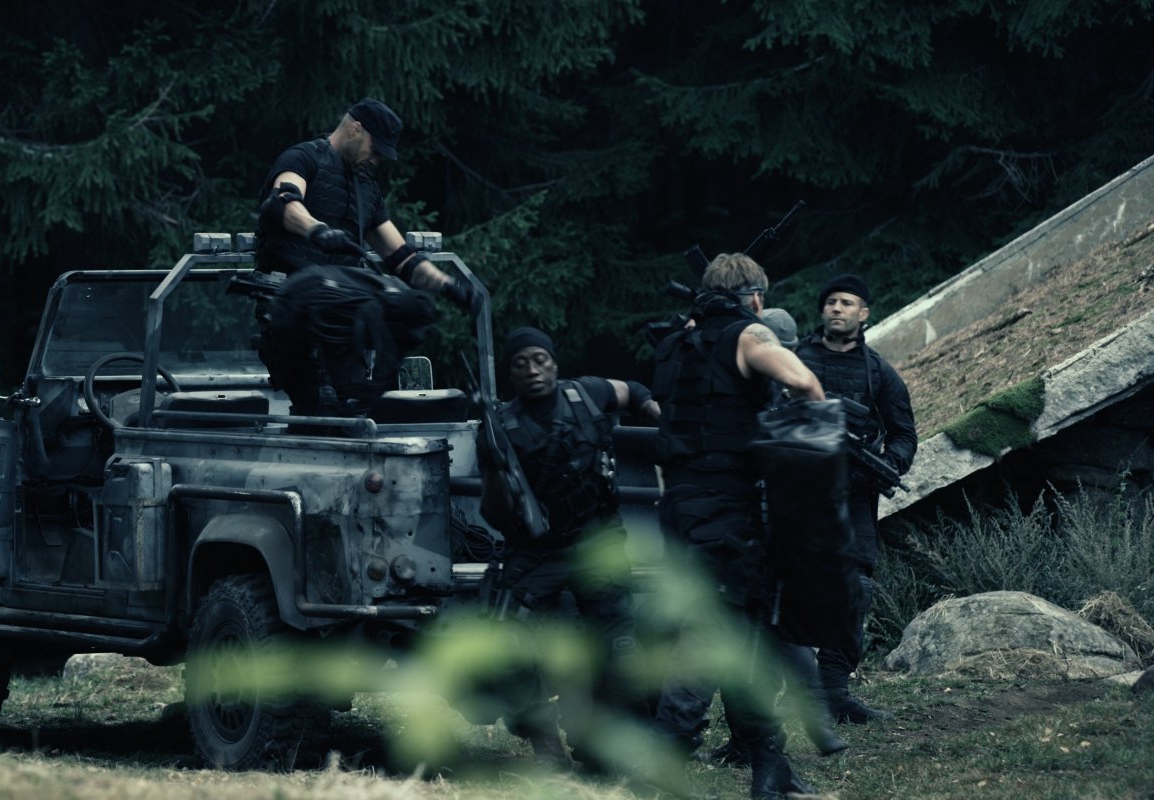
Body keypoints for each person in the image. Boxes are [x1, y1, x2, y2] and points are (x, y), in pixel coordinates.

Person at [650, 254, 825, 799]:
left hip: (679, 509)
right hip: (725, 513)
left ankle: (771, 769)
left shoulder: (675, 345)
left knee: (741, 637)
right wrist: (811, 440)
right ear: (754, 297)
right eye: (761, 298)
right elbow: (804, 381)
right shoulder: (749, 335)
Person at [487, 327, 660, 772]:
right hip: (538, 549)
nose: (532, 369)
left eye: (539, 359)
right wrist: (508, 491)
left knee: (621, 649)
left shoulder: (587, 393)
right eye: (520, 363)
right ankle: (546, 746)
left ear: (555, 363)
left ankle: (615, 746)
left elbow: (632, 389)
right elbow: (493, 509)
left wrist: (654, 411)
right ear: (510, 374)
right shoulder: (500, 424)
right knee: (509, 645)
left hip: (597, 542)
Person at [252, 98, 480, 417]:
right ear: (355, 129)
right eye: (375, 149)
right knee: (322, 408)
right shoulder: (302, 158)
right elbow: (283, 202)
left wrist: (449, 286)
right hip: (294, 315)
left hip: (344, 324)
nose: (376, 160)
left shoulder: (366, 189)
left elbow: (402, 258)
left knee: (356, 407)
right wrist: (317, 230)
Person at [793, 274, 916, 723]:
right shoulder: (793, 359)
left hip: (853, 498)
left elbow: (903, 434)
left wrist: (885, 465)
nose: (837, 308)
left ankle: (834, 693)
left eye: (847, 302)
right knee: (783, 591)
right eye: (831, 301)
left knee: (855, 592)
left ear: (864, 313)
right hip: (796, 496)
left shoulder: (878, 371)